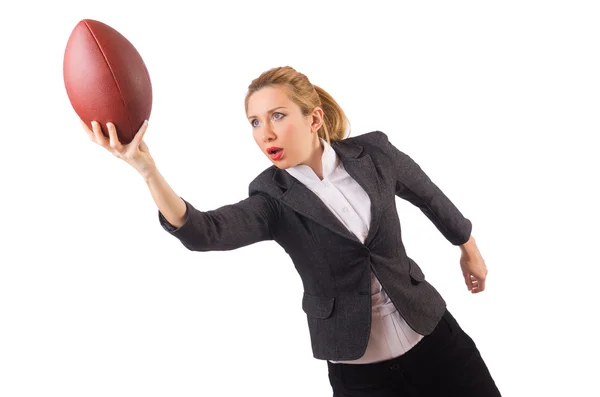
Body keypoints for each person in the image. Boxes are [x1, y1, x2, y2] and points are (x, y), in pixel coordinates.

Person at [81, 66, 501, 396]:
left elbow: (429, 195)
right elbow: (205, 231)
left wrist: (469, 248)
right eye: (254, 122)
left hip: (435, 341)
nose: (265, 132)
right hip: (361, 375)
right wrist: (147, 170)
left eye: (277, 116)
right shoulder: (272, 197)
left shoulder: (374, 154)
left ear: (313, 118)